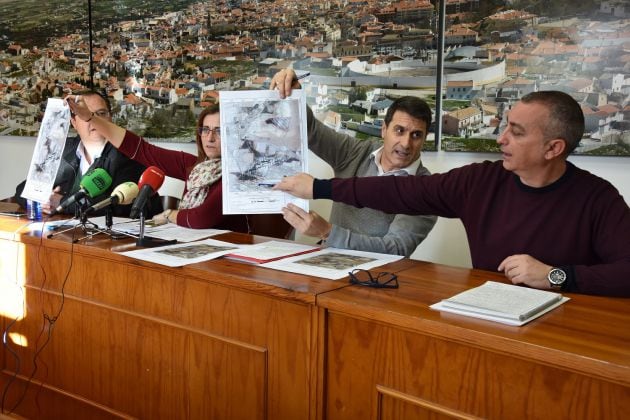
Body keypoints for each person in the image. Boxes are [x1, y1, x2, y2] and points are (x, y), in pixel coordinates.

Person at [274, 91, 630, 297]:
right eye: (505, 126)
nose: (500, 140)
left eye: (516, 133)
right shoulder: (481, 181)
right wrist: (321, 187)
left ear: (553, 149)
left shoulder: (597, 198)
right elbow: (403, 191)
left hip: (567, 329)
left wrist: (556, 275)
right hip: (492, 314)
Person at [270, 69, 436, 257]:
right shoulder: (356, 152)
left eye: (416, 135)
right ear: (384, 130)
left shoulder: (428, 189)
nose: (406, 143)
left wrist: (327, 232)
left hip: (375, 277)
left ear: (424, 139)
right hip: (326, 260)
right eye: (399, 131)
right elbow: (311, 130)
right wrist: (294, 93)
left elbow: (396, 248)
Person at [67, 98, 249, 231]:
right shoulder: (193, 166)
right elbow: (141, 150)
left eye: (218, 131)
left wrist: (169, 214)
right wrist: (91, 118)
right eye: (205, 130)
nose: (210, 138)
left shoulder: (238, 175)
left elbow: (199, 219)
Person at [15, 90, 161, 217]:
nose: (94, 120)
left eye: (101, 113)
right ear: (73, 121)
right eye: (85, 115)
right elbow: (23, 189)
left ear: (110, 118)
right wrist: (43, 199)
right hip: (65, 234)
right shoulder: (62, 149)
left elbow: (116, 206)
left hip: (117, 241)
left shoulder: (128, 153)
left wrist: (61, 202)